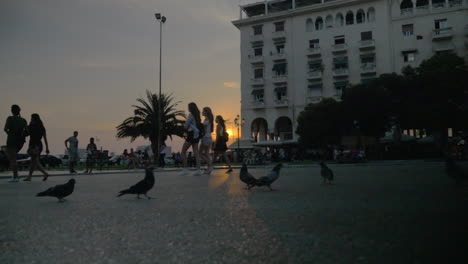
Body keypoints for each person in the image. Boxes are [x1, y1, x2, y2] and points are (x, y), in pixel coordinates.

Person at [4, 105, 28, 182]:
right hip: (20, 142)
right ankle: (16, 175)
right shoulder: (23, 120)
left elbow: (5, 129)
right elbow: (27, 131)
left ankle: (15, 176)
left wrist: (10, 134)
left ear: (12, 111)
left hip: (11, 141)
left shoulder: (10, 119)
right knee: (13, 158)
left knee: (12, 159)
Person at [23, 114, 50, 181]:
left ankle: (45, 173)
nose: (31, 119)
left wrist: (25, 128)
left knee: (35, 162)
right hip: (39, 145)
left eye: (31, 118)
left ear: (33, 119)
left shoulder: (31, 126)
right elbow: (45, 138)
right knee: (33, 161)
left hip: (33, 145)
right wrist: (47, 148)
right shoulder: (42, 127)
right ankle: (29, 177)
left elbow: (25, 134)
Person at [180, 102, 202, 176]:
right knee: (196, 152)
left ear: (191, 108)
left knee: (183, 151)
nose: (188, 108)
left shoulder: (191, 115)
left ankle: (185, 169)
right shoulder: (197, 116)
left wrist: (184, 126)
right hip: (196, 135)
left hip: (191, 135)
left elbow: (186, 126)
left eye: (188, 107)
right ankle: (198, 169)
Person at [199, 107, 214, 174]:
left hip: (205, 138)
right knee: (206, 153)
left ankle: (210, 166)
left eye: (203, 111)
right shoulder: (209, 120)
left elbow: (203, 129)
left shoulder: (206, 120)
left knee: (200, 153)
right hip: (209, 138)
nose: (202, 112)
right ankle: (209, 167)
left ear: (206, 112)